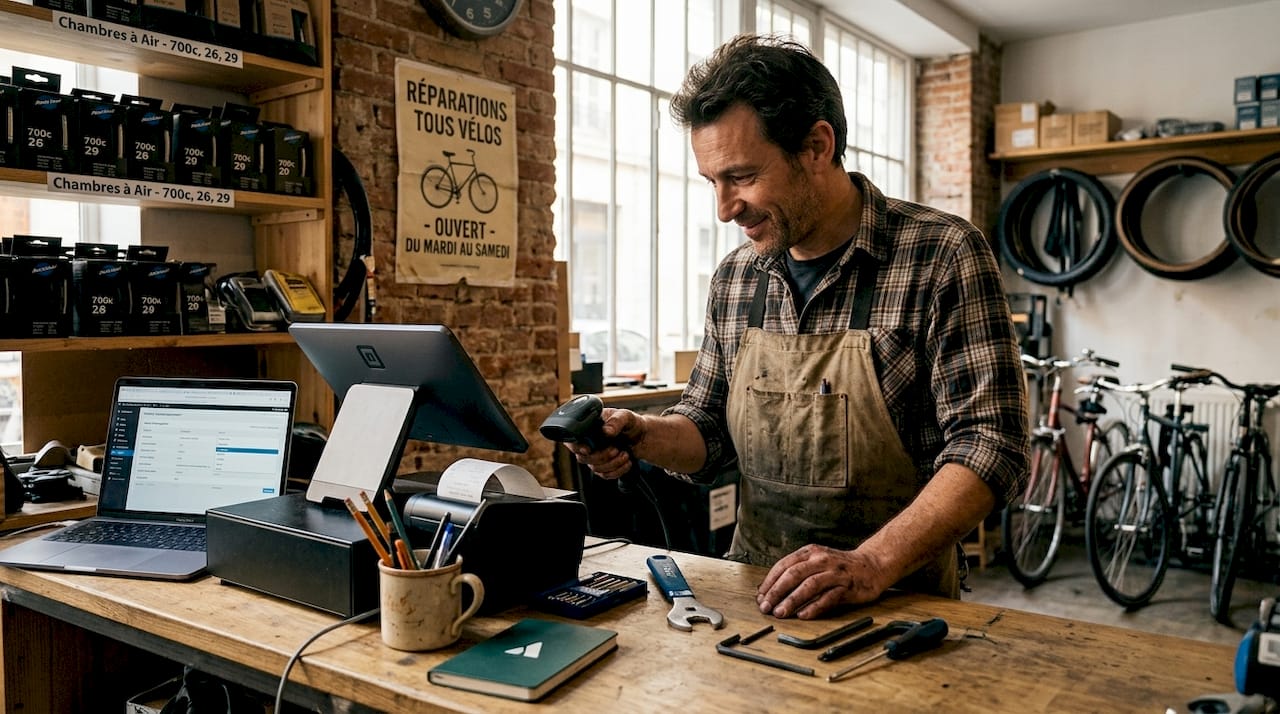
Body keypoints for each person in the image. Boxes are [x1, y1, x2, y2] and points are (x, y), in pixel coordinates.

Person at [569, 34, 1028, 620]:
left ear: (817, 145)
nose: (724, 208)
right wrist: (640, 434)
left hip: (897, 603)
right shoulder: (736, 278)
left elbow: (993, 446)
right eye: (712, 181)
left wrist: (871, 564)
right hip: (753, 593)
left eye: (741, 176)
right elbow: (708, 432)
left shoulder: (942, 254)